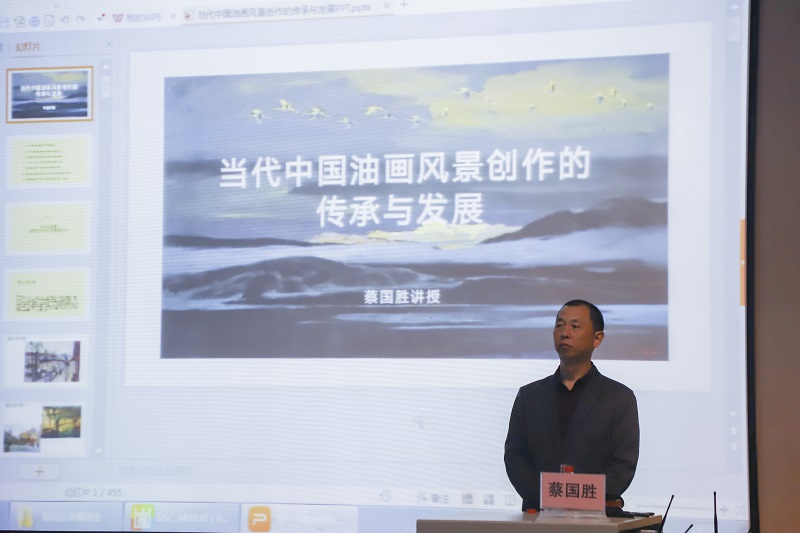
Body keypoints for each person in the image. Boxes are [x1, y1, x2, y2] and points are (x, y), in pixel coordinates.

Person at [504, 299, 639, 511]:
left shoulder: (619, 398)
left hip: (596, 518)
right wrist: (548, 496)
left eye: (575, 326)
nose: (565, 333)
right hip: (537, 517)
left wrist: (575, 498)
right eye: (559, 325)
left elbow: (622, 465)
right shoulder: (529, 396)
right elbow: (515, 457)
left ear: (597, 338)